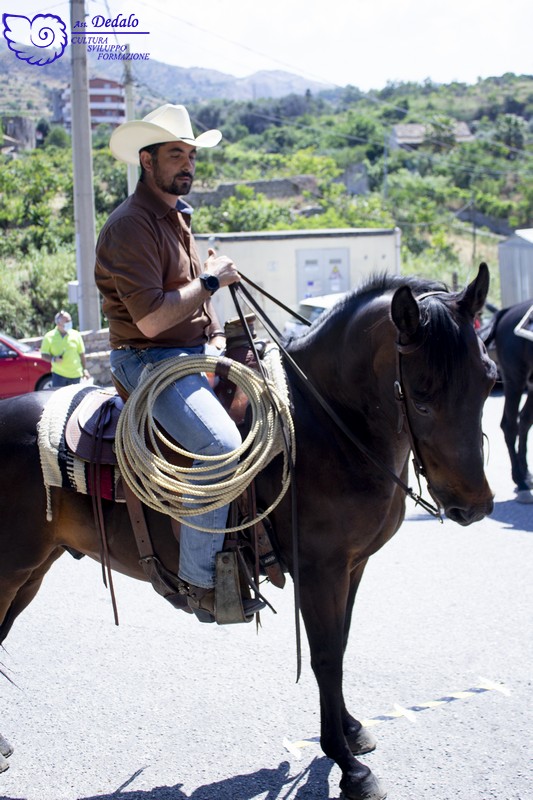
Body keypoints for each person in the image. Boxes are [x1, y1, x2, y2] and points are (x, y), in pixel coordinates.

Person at [94, 103, 265, 622]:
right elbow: (149, 320)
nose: (187, 163)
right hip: (147, 359)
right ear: (147, 161)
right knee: (219, 445)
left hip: (190, 353)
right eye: (176, 154)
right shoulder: (131, 226)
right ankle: (199, 580)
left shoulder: (178, 218)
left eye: (190, 154)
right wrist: (212, 279)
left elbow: (193, 301)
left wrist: (214, 334)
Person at [40, 310, 90, 388]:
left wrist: (84, 370)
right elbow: (44, 355)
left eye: (70, 320)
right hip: (59, 376)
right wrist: (54, 359)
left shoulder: (76, 334)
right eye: (67, 321)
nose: (69, 322)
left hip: (75, 375)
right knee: (59, 400)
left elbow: (82, 354)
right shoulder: (48, 336)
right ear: (58, 323)